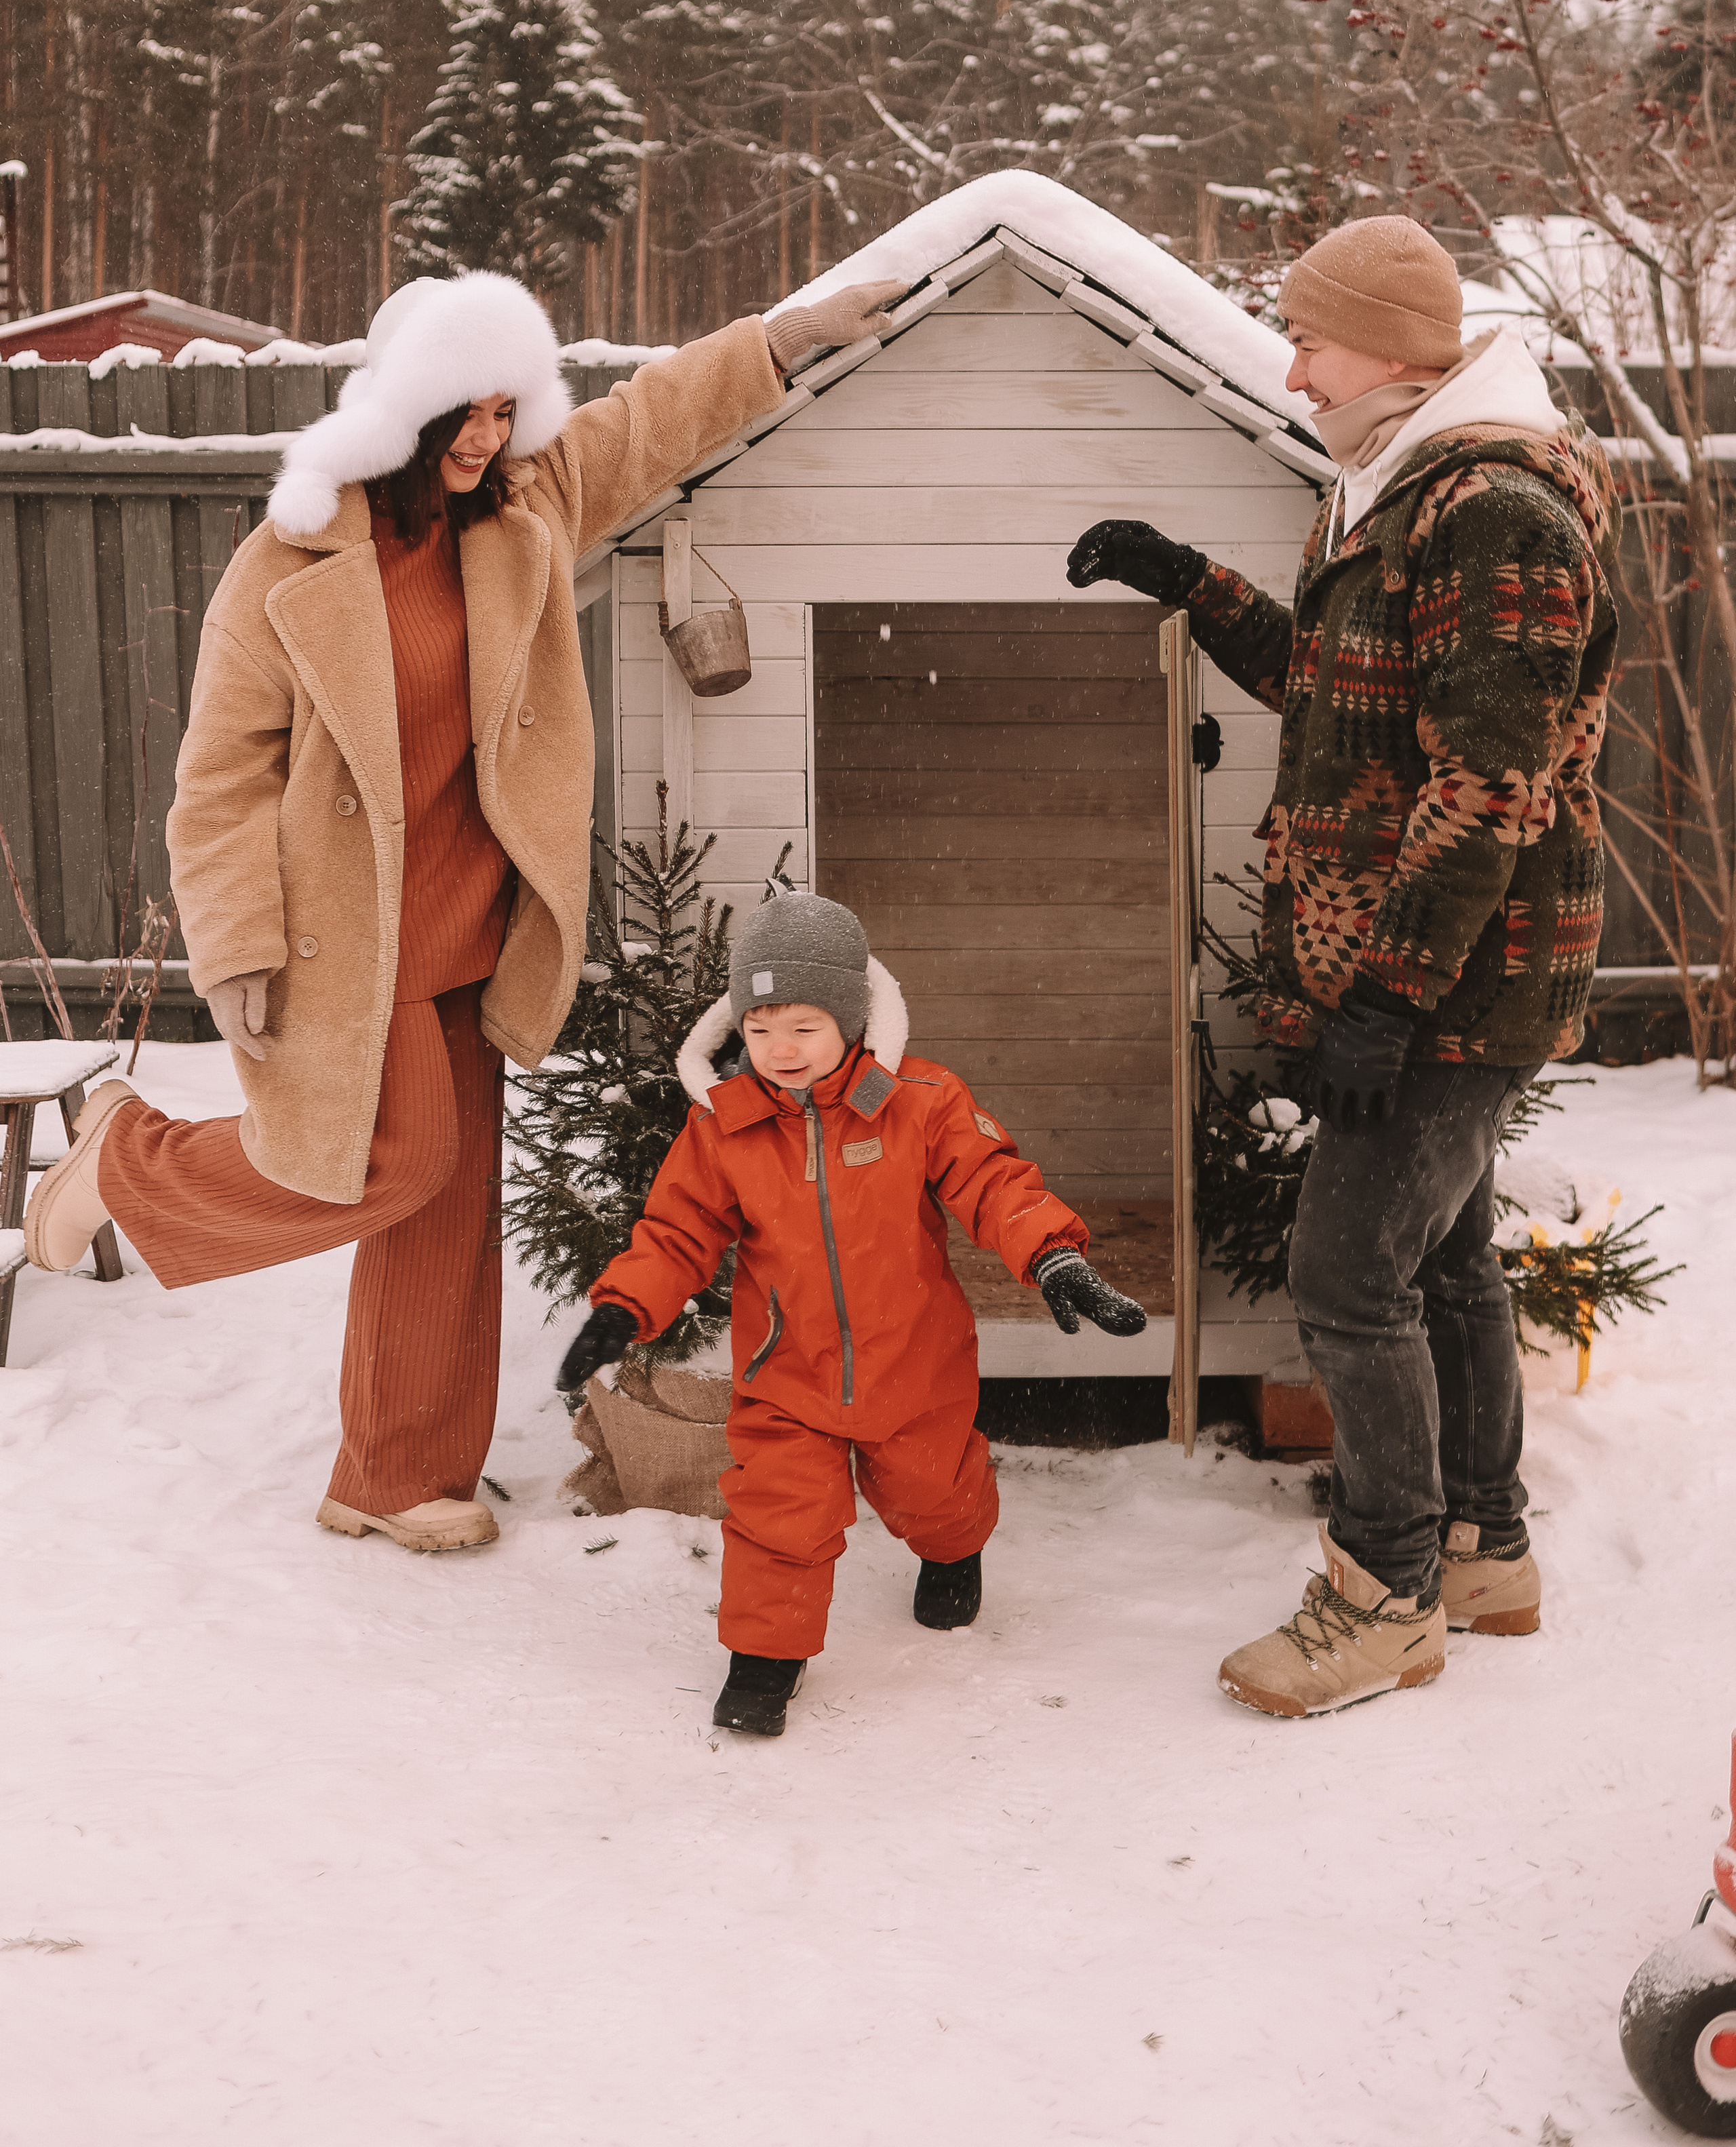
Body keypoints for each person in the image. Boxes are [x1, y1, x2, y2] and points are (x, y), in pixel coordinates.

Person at [26, 269, 901, 1555]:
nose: (488, 437)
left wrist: (778, 340)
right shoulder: (294, 556)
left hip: (474, 932)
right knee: (392, 1166)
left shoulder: (526, 508)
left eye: (505, 406)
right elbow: (218, 777)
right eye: (463, 413)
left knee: (447, 1212)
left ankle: (394, 1473)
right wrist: (237, 941)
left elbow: (653, 418)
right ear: (401, 414)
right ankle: (131, 1159)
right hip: (347, 934)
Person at [1067, 215, 1621, 1718]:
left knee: (1343, 1273)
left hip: (1459, 975)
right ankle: (1481, 1545)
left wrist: (1385, 996)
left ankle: (1383, 1596)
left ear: (1391, 344)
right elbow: (1341, 695)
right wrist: (1196, 586)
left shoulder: (1497, 512)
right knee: (1436, 1259)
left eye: (1308, 335)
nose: (1290, 363)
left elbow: (1485, 782)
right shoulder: (1395, 488)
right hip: (1424, 965)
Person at [553, 892, 1147, 1735]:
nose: (780, 1050)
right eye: (759, 1031)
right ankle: (765, 1660)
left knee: (932, 1495)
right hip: (785, 1376)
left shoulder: (920, 1101)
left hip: (913, 1365)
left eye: (802, 1026)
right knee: (777, 1514)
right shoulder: (725, 1129)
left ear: (851, 1018)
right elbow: (677, 1231)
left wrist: (1051, 1254)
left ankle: (954, 1552)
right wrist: (623, 1308)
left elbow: (992, 1182)